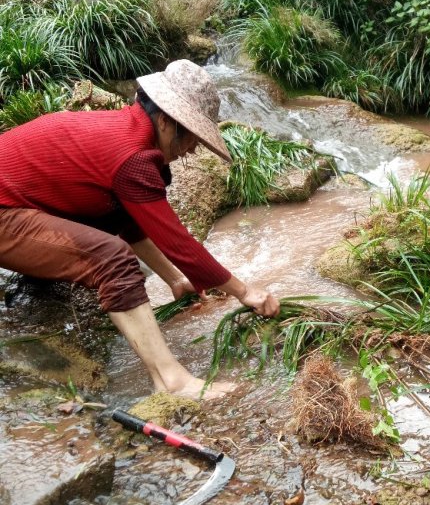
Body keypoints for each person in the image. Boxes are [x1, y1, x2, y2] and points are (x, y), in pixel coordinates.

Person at [0, 59, 279, 400]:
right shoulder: (132, 155)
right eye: (190, 137)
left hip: (20, 204)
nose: (191, 149)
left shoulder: (126, 132)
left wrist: (175, 280)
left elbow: (126, 222)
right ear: (165, 120)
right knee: (111, 260)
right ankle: (172, 381)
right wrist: (245, 292)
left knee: (105, 232)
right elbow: (180, 245)